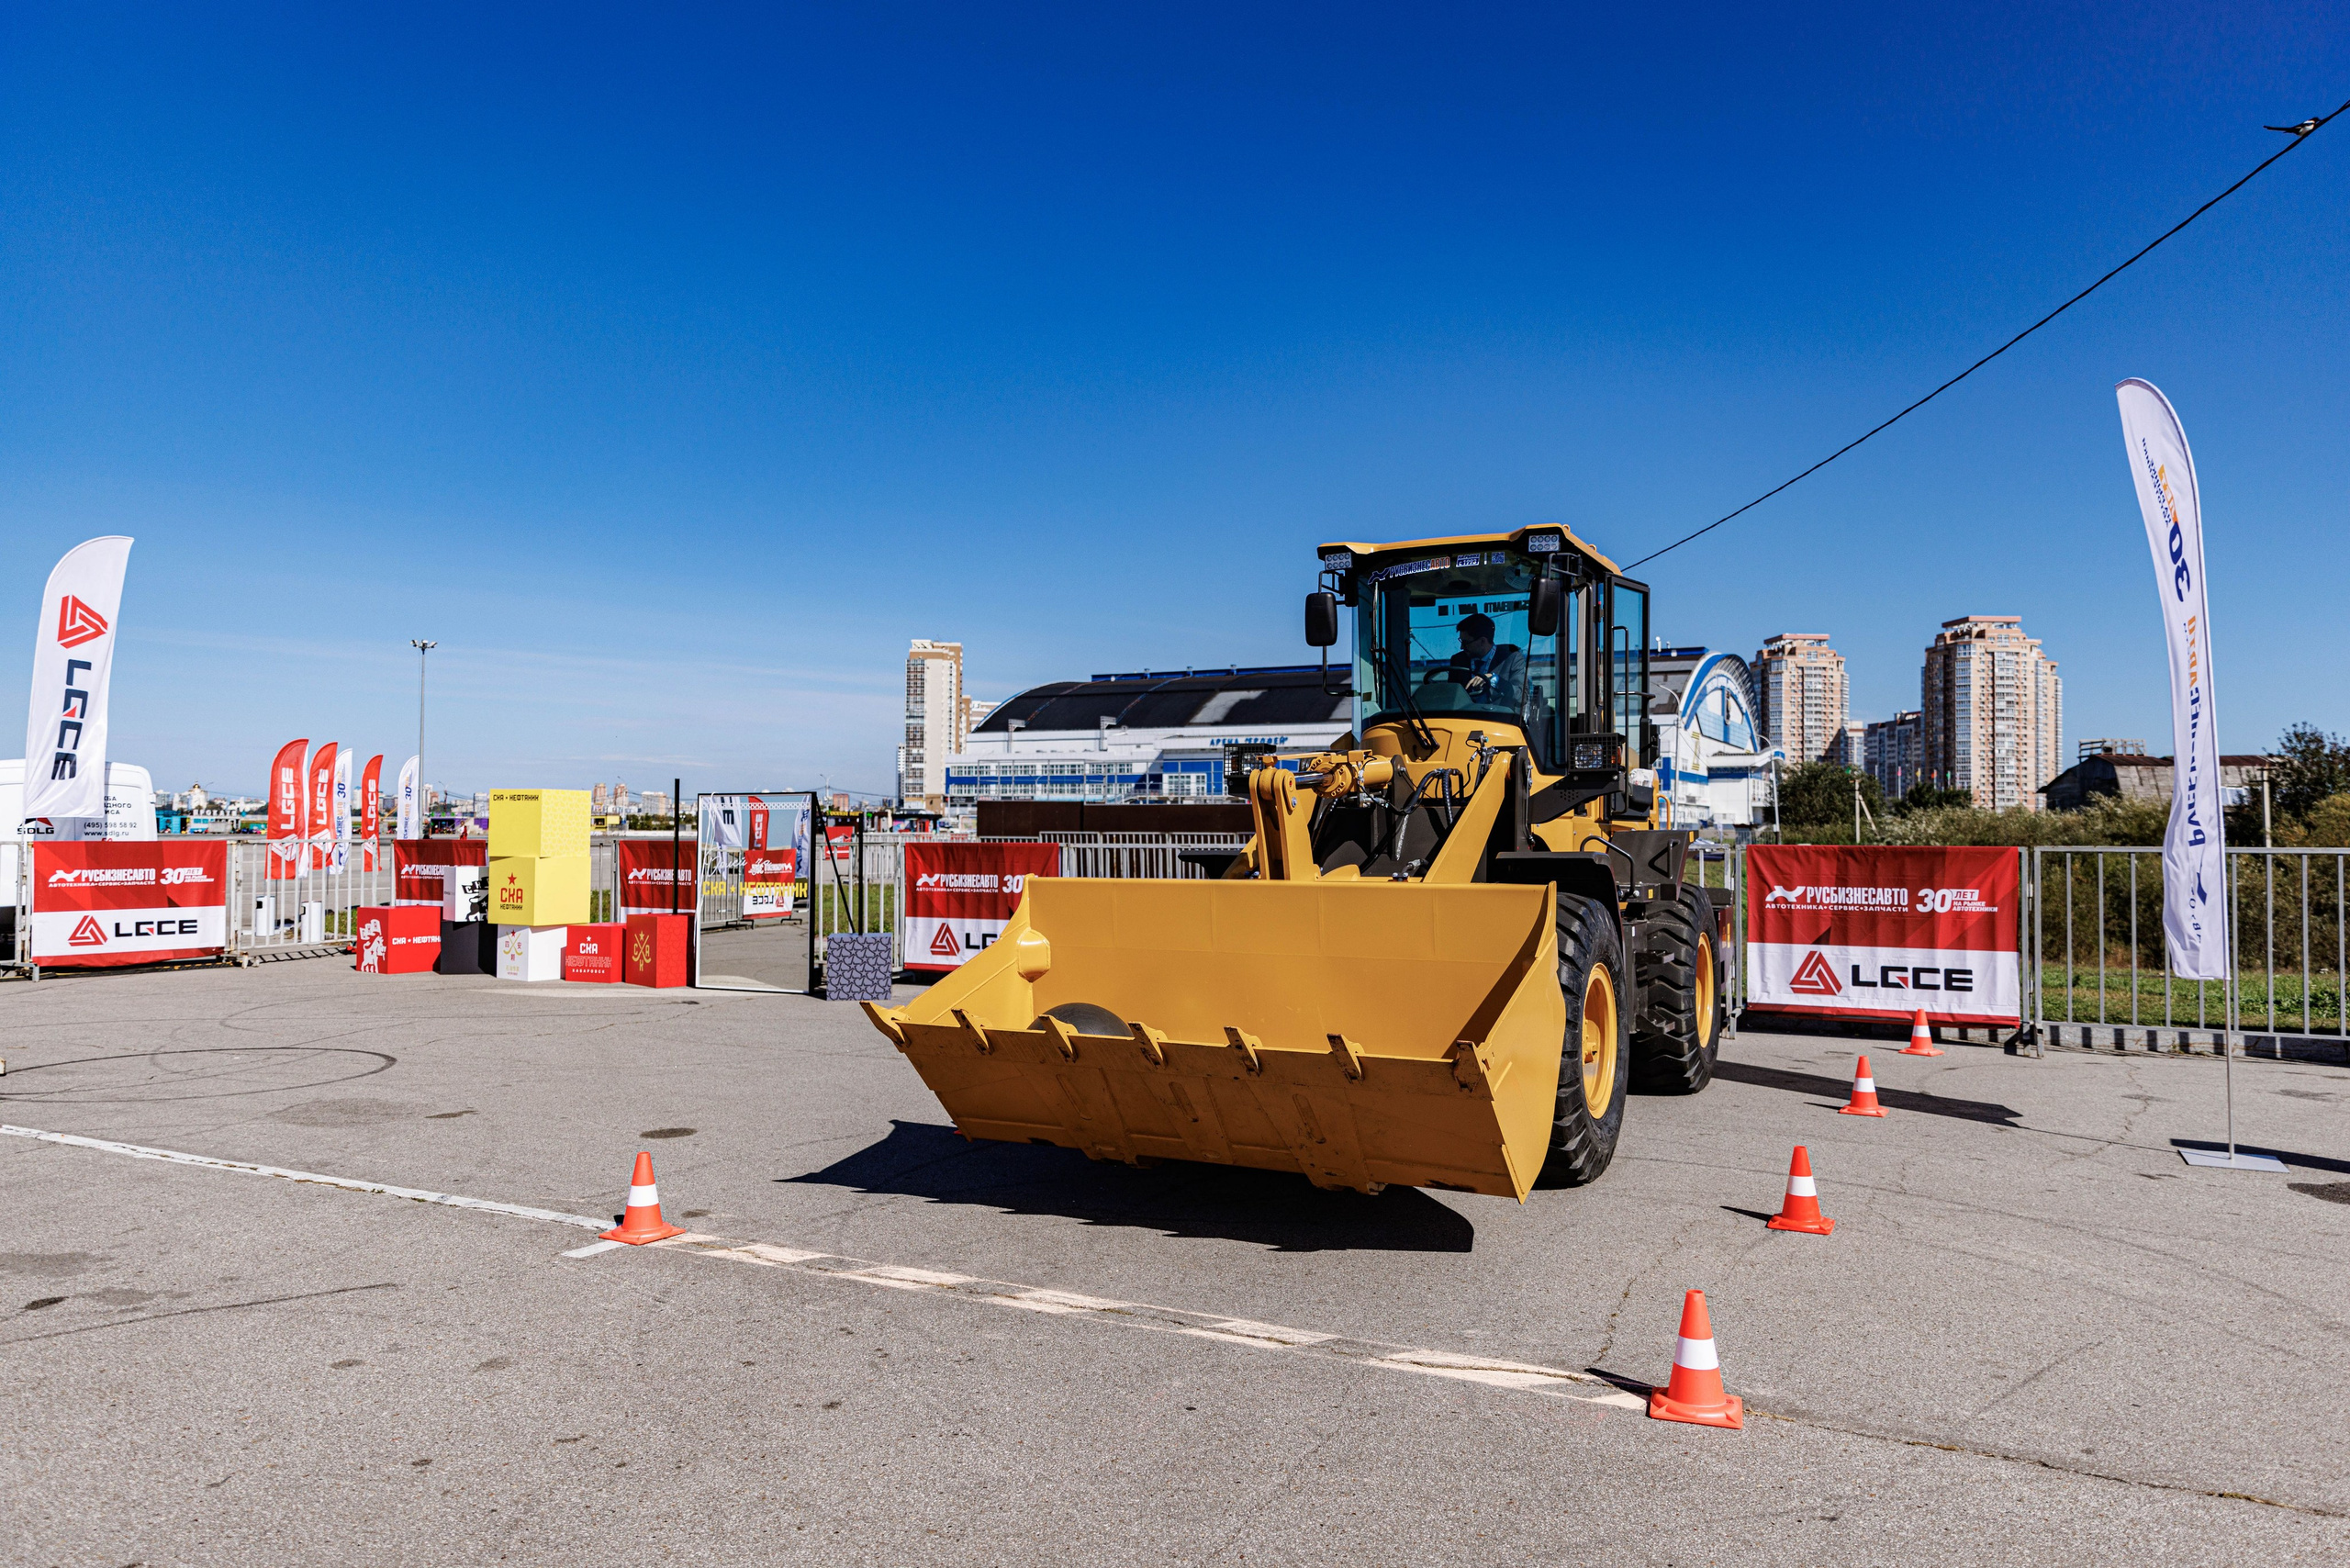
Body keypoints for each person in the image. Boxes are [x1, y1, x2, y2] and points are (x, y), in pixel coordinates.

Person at [1448, 613, 1525, 707]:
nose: (1461, 647)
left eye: (1466, 643)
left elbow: (1521, 697)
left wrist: (1495, 680)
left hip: (1498, 718)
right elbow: (1451, 698)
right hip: (1465, 718)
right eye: (1461, 641)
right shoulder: (1458, 660)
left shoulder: (1511, 657)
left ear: (1482, 641)